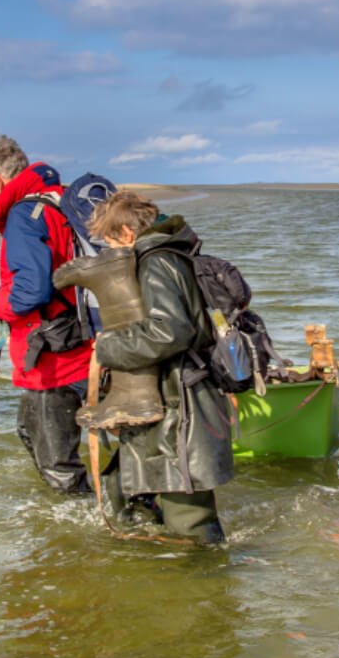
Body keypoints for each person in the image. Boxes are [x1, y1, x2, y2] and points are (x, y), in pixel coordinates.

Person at [88, 190, 234, 543]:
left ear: (126, 233)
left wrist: (108, 347)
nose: (110, 255)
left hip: (184, 401)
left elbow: (170, 330)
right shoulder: (175, 252)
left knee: (190, 519)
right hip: (180, 394)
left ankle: (206, 583)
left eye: (110, 243)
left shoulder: (155, 260)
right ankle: (158, 575)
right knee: (124, 486)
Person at [0, 134, 92, 493]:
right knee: (28, 432)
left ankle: (80, 536)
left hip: (53, 360)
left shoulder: (24, 214)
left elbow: (31, 291)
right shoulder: (60, 200)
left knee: (58, 469)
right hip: (80, 344)